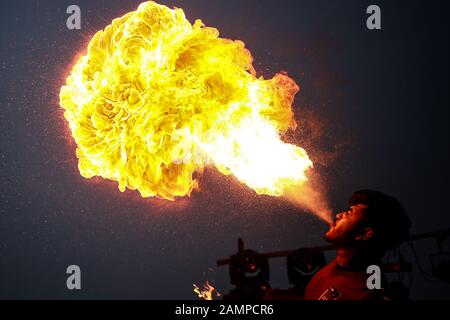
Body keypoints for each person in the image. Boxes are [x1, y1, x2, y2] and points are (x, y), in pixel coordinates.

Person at [304, 189, 411, 300]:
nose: (338, 215)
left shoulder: (367, 294)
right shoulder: (328, 272)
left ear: (363, 233)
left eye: (349, 213)